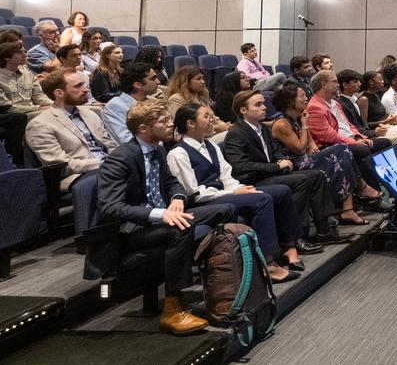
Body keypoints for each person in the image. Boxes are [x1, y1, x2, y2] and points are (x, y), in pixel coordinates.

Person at [92, 102, 234, 335]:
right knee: (182, 227)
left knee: (225, 208)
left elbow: (171, 182)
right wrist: (161, 213)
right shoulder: (119, 159)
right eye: (163, 121)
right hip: (132, 230)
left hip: (163, 218)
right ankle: (172, 308)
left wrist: (177, 197)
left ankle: (221, 288)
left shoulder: (158, 149)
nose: (171, 124)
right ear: (143, 129)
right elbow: (111, 207)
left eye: (169, 119)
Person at [167, 103, 302, 282]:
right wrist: (233, 193)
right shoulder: (178, 153)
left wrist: (238, 188)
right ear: (190, 123)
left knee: (281, 191)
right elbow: (194, 192)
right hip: (204, 202)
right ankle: (268, 264)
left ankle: (288, 247)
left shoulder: (210, 146)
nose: (211, 120)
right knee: (262, 199)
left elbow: (226, 176)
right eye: (206, 117)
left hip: (226, 193)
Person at [222, 90, 352, 247]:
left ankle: (325, 231)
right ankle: (297, 236)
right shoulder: (236, 133)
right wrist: (276, 166)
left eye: (263, 103)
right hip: (253, 180)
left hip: (270, 174)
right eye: (258, 104)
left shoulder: (262, 128)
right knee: (302, 180)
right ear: (243, 110)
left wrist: (281, 159)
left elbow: (273, 152)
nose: (264, 107)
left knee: (317, 175)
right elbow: (241, 166)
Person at [271, 82, 383, 223]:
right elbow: (299, 149)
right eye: (302, 96)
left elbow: (309, 141)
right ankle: (360, 191)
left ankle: (349, 207)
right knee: (342, 150)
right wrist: (305, 125)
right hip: (295, 163)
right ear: (290, 101)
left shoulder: (298, 117)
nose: (306, 98)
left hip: (307, 157)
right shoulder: (282, 124)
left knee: (343, 150)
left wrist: (312, 144)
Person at [26, 69, 118, 190]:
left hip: (108, 168)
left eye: (84, 84)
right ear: (59, 93)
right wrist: (104, 164)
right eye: (78, 86)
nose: (86, 89)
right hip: (77, 176)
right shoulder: (40, 124)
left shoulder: (90, 114)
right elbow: (61, 165)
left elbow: (109, 145)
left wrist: (120, 159)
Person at [305, 69, 394, 191]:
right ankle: (372, 191)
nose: (338, 85)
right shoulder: (315, 107)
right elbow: (328, 136)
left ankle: (388, 184)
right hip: (330, 147)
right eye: (335, 82)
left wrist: (358, 137)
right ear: (323, 84)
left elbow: (349, 125)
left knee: (384, 143)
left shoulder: (334, 103)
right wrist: (354, 142)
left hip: (347, 140)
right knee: (362, 150)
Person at [163, 66, 231, 142]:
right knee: (232, 136)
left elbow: (214, 118)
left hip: (209, 135)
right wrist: (217, 128)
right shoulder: (176, 99)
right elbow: (184, 127)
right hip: (192, 139)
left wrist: (224, 125)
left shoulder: (200, 98)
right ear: (186, 81)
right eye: (198, 79)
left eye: (203, 78)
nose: (203, 82)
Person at [0, 39, 55, 114]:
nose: (25, 55)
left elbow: (40, 97)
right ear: (6, 57)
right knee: (51, 114)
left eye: (24, 51)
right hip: (16, 117)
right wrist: (39, 108)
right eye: (19, 53)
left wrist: (54, 105)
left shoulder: (28, 74)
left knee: (61, 111)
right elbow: (6, 108)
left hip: (34, 111)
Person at [102, 62, 162, 145]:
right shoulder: (115, 106)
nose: (158, 82)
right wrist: (160, 140)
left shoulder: (153, 101)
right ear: (137, 85)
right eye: (153, 79)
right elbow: (125, 139)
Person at [335, 68, 392, 142]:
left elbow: (363, 125)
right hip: (360, 137)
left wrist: (380, 126)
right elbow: (353, 129)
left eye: (359, 81)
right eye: (355, 82)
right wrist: (374, 132)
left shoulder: (354, 100)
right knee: (393, 140)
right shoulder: (342, 104)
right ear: (345, 85)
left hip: (367, 133)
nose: (360, 84)